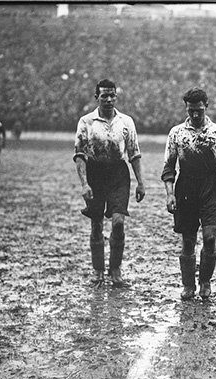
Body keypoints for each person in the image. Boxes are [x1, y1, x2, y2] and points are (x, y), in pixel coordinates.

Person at [162, 87, 216, 301]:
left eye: (199, 110)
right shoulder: (177, 133)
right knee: (188, 240)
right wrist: (170, 194)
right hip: (186, 188)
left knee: (210, 238)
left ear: (206, 107)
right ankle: (188, 285)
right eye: (191, 110)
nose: (195, 115)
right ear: (186, 108)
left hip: (211, 187)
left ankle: (205, 281)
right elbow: (169, 166)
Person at [73, 79, 145, 286]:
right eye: (104, 95)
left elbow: (134, 153)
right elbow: (79, 154)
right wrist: (84, 184)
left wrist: (141, 182)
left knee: (119, 222)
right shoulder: (86, 121)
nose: (109, 99)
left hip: (118, 174)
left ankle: (115, 270)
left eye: (112, 95)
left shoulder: (126, 122)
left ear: (116, 97)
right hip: (95, 173)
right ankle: (97, 271)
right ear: (97, 97)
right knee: (96, 225)